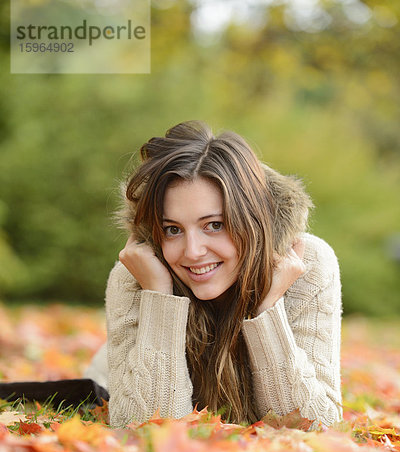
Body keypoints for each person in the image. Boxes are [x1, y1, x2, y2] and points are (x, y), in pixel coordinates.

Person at [87, 120, 343, 429]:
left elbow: (318, 428)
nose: (193, 251)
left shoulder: (307, 265)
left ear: (253, 220)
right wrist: (158, 296)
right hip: (108, 377)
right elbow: (143, 430)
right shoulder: (137, 274)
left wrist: (268, 307)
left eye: (214, 225)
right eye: (172, 229)